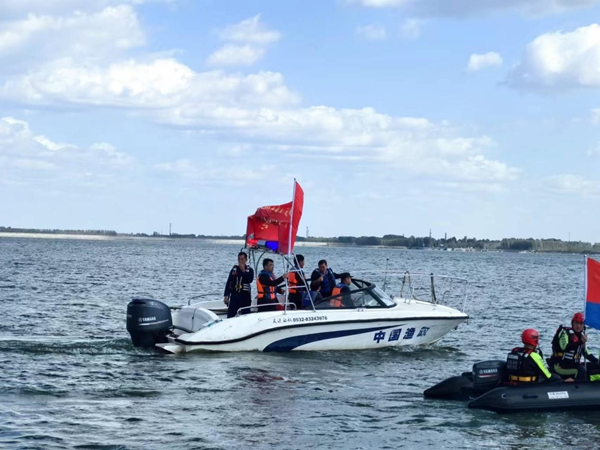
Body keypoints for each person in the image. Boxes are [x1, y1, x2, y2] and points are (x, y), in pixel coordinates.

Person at [550, 312, 600, 381]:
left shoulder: (581, 337)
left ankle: (590, 384)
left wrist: (598, 362)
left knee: (596, 366)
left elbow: (587, 355)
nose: (578, 326)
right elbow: (565, 348)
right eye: (576, 323)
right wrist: (580, 342)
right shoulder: (565, 333)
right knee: (581, 369)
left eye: (581, 323)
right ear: (572, 323)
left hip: (573, 365)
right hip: (560, 366)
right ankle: (578, 389)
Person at [223, 251, 254, 318]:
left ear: (246, 260)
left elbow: (250, 280)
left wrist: (243, 270)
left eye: (242, 259)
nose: (240, 261)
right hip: (235, 295)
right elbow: (229, 282)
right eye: (239, 259)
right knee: (231, 315)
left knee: (246, 315)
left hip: (245, 297)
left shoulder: (250, 270)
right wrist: (226, 295)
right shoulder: (234, 269)